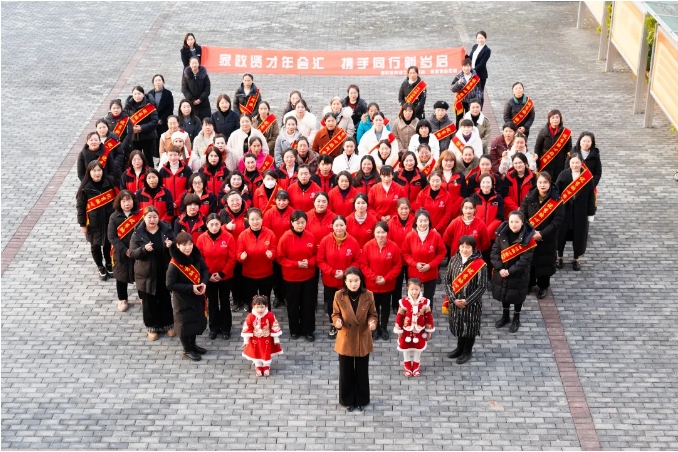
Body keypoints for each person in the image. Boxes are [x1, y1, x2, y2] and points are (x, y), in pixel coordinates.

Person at [331, 267, 378, 411]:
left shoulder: (368, 295)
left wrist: (372, 322)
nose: (353, 284)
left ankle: (362, 400)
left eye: (356, 280)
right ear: (345, 282)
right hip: (346, 338)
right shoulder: (339, 295)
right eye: (350, 281)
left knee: (362, 371)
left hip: (362, 337)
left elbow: (373, 314)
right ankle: (347, 400)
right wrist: (337, 322)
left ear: (361, 280)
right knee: (346, 371)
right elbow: (335, 314)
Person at [129, 206, 175, 341]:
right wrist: (144, 249)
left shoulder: (166, 230)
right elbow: (133, 253)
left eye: (155, 217)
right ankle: (152, 327)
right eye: (149, 217)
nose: (152, 220)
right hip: (146, 273)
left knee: (165, 299)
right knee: (149, 302)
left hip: (164, 271)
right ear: (144, 218)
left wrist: (171, 246)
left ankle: (168, 324)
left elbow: (176, 247)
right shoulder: (138, 233)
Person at [444, 235, 488, 364]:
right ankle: (459, 348)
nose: (464, 249)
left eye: (467, 247)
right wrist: (453, 299)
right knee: (459, 325)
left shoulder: (480, 264)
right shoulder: (454, 260)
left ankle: (467, 351)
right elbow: (447, 281)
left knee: (470, 327)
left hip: (471, 304)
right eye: (462, 246)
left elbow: (482, 286)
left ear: (473, 248)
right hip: (455, 302)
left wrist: (467, 301)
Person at [491, 211, 536, 333]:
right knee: (504, 293)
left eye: (517, 222)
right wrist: (500, 268)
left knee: (517, 296)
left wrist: (510, 271)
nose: (514, 224)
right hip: (502, 271)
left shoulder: (528, 239)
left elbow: (524, 260)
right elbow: (494, 252)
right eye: (511, 221)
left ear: (522, 222)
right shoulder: (501, 234)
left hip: (518, 274)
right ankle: (505, 316)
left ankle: (516, 318)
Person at [166, 232, 209, 361]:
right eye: (184, 245)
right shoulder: (174, 264)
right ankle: (187, 349)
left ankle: (193, 345)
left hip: (197, 296)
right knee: (185, 324)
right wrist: (191, 288)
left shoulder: (196, 256)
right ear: (178, 246)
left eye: (190, 244)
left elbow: (205, 270)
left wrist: (204, 283)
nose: (188, 247)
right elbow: (170, 284)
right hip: (183, 299)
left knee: (195, 321)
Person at [520, 172, 564, 299]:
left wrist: (542, 234)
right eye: (540, 182)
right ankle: (530, 283)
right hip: (530, 235)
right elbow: (523, 214)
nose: (542, 185)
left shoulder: (556, 200)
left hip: (547, 238)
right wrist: (531, 232)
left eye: (545, 182)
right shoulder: (529, 196)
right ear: (536, 183)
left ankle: (543, 286)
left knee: (545, 262)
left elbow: (557, 221)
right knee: (530, 261)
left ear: (550, 183)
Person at [277, 210, 318, 341]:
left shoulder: (310, 236)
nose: (300, 225)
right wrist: (296, 264)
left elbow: (316, 254)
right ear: (292, 223)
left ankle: (308, 330)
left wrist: (309, 262)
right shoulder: (285, 238)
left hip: (308, 277)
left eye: (302, 222)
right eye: (297, 222)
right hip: (291, 278)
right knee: (293, 305)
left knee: (308, 305)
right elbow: (280, 258)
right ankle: (294, 330)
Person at [318, 216, 361, 338]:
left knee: (348, 302)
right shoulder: (325, 241)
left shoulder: (352, 241)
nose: (339, 228)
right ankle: (334, 323)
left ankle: (348, 323)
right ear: (332, 226)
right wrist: (332, 271)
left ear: (346, 226)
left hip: (347, 280)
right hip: (330, 279)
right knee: (332, 303)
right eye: (336, 225)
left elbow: (357, 260)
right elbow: (320, 260)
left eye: (341, 225)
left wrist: (346, 272)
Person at [359, 221, 402, 341]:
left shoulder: (393, 247)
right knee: (374, 308)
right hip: (372, 285)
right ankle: (375, 328)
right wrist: (374, 277)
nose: (380, 235)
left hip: (387, 285)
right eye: (378, 232)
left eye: (383, 232)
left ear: (387, 233)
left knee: (386, 307)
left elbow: (397, 265)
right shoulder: (368, 246)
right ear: (374, 233)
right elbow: (363, 264)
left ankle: (383, 328)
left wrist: (386, 278)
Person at [196, 213, 236, 340]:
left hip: (225, 277)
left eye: (217, 224)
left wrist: (222, 273)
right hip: (209, 277)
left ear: (221, 224)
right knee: (212, 302)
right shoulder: (201, 238)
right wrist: (207, 275)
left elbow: (232, 258)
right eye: (211, 224)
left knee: (225, 302)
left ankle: (226, 328)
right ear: (206, 224)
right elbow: (199, 259)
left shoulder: (228, 237)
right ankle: (214, 328)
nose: (214, 227)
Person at [556, 153, 596, 271]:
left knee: (579, 235)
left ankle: (576, 258)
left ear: (581, 163)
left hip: (581, 212)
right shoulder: (563, 175)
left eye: (577, 163)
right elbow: (556, 192)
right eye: (572, 162)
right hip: (565, 211)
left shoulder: (587, 177)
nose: (575, 165)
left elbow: (591, 196)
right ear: (569, 163)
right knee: (561, 234)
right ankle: (560, 256)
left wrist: (591, 212)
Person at [76, 160, 116, 281]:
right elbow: (80, 208)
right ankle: (100, 266)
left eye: (99, 170)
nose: (97, 173)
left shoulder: (109, 184)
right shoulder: (84, 189)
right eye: (94, 171)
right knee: (95, 246)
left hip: (108, 221)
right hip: (93, 223)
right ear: (89, 172)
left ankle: (109, 264)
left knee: (108, 244)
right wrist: (82, 224)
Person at [107, 190, 143, 312]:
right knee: (121, 277)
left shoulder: (141, 215)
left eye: (129, 200)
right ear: (119, 202)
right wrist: (125, 250)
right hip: (121, 252)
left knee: (140, 275)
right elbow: (112, 237)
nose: (127, 203)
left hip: (137, 251)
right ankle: (122, 299)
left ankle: (142, 297)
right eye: (123, 201)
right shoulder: (114, 217)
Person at [237, 208, 277, 312]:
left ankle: (267, 319)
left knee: (265, 300)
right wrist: (241, 257)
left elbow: (274, 251)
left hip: (266, 274)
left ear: (262, 219)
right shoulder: (243, 235)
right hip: (249, 275)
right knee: (252, 301)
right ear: (248, 220)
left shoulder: (270, 233)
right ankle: (253, 320)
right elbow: (238, 254)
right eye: (252, 219)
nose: (255, 222)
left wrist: (271, 254)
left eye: (257, 219)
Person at [401, 209, 447, 301]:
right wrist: (415, 264)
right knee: (413, 299)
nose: (423, 223)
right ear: (416, 222)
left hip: (431, 274)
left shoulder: (436, 235)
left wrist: (430, 265)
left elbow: (442, 252)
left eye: (425, 220)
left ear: (429, 221)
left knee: (428, 300)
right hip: (414, 274)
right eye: (420, 221)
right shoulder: (410, 236)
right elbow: (405, 253)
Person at [393, 278, 435, 377]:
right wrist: (398, 330)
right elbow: (399, 316)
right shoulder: (403, 301)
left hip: (420, 330)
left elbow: (429, 316)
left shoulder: (425, 302)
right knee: (405, 347)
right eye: (412, 289)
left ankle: (416, 365)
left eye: (416, 289)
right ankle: (407, 365)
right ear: (407, 288)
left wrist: (429, 330)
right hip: (406, 329)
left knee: (418, 347)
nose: (414, 292)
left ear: (420, 289)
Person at [262, 190, 293, 308]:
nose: (281, 203)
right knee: (276, 275)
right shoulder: (269, 213)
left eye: (284, 200)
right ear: (275, 200)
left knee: (287, 275)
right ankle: (277, 296)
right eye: (279, 200)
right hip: (274, 248)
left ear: (288, 201)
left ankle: (286, 296)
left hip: (288, 248)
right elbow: (266, 232)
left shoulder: (292, 212)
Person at [219, 190, 248, 311]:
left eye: (237, 200)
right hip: (230, 250)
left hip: (245, 250)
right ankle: (236, 300)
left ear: (242, 200)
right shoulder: (223, 213)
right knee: (234, 278)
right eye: (232, 201)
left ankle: (246, 300)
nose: (235, 203)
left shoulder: (248, 212)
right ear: (227, 203)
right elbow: (216, 229)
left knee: (245, 278)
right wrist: (226, 227)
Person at [242, 295, 283, 377]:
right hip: (255, 339)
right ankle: (258, 366)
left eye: (262, 307)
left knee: (266, 352)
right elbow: (247, 328)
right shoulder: (251, 316)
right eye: (257, 307)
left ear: (266, 306)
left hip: (266, 339)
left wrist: (276, 338)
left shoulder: (270, 315)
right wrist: (246, 340)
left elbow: (274, 326)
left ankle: (266, 366)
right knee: (256, 352)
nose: (260, 310)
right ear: (253, 306)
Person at [387, 198, 415, 312]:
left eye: (406, 208)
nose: (404, 211)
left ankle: (411, 304)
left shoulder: (415, 221)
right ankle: (396, 304)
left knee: (412, 284)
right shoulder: (391, 223)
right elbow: (389, 241)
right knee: (397, 284)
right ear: (397, 209)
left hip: (411, 259)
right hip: (397, 259)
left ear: (410, 209)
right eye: (401, 209)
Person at [125, 86, 159, 167]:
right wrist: (132, 128)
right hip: (133, 137)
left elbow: (154, 121)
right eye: (135, 94)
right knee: (135, 157)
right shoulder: (128, 105)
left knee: (148, 158)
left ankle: (150, 173)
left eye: (139, 94)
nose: (137, 96)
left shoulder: (150, 105)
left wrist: (142, 128)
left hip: (147, 136)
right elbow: (124, 120)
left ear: (143, 94)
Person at [534, 109, 573, 179]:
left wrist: (567, 164)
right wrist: (537, 163)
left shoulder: (566, 133)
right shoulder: (543, 132)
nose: (555, 120)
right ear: (549, 119)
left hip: (560, 164)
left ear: (560, 119)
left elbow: (569, 150)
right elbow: (537, 147)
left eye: (557, 117)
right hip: (545, 163)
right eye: (553, 118)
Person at [158, 145, 192, 216]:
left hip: (183, 206)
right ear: (167, 155)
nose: (173, 158)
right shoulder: (162, 171)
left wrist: (178, 202)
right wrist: (169, 202)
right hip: (167, 207)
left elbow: (189, 188)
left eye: (175, 155)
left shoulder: (186, 169)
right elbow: (160, 188)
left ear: (179, 155)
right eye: (170, 155)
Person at [470, 173, 504, 242]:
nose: (485, 185)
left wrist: (487, 231)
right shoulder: (474, 197)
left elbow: (500, 218)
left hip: (493, 235)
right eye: (483, 182)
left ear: (492, 184)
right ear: (480, 184)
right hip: (477, 234)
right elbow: (471, 215)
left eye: (488, 182)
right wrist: (480, 230)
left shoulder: (498, 198)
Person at [450, 59, 483, 126]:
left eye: (468, 66)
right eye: (464, 66)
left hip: (471, 102)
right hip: (460, 101)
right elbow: (453, 89)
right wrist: (458, 83)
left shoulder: (475, 77)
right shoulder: (458, 77)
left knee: (470, 119)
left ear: (471, 67)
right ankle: (459, 131)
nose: (466, 68)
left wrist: (476, 101)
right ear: (462, 67)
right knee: (459, 119)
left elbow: (479, 91)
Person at [148, 74, 174, 158]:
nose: (158, 82)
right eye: (156, 81)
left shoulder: (168, 93)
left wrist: (162, 119)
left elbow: (170, 108)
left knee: (163, 140)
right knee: (154, 142)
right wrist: (154, 119)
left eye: (159, 80)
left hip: (163, 121)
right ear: (153, 83)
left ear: (163, 82)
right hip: (153, 122)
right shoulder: (149, 94)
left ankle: (163, 157)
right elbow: (147, 109)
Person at [503, 153, 536, 217]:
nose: (518, 165)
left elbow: (534, 194)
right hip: (511, 211)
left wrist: (524, 208)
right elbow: (505, 196)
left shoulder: (532, 176)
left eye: (520, 162)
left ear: (525, 162)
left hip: (528, 210)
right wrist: (516, 208)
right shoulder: (508, 177)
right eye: (515, 163)